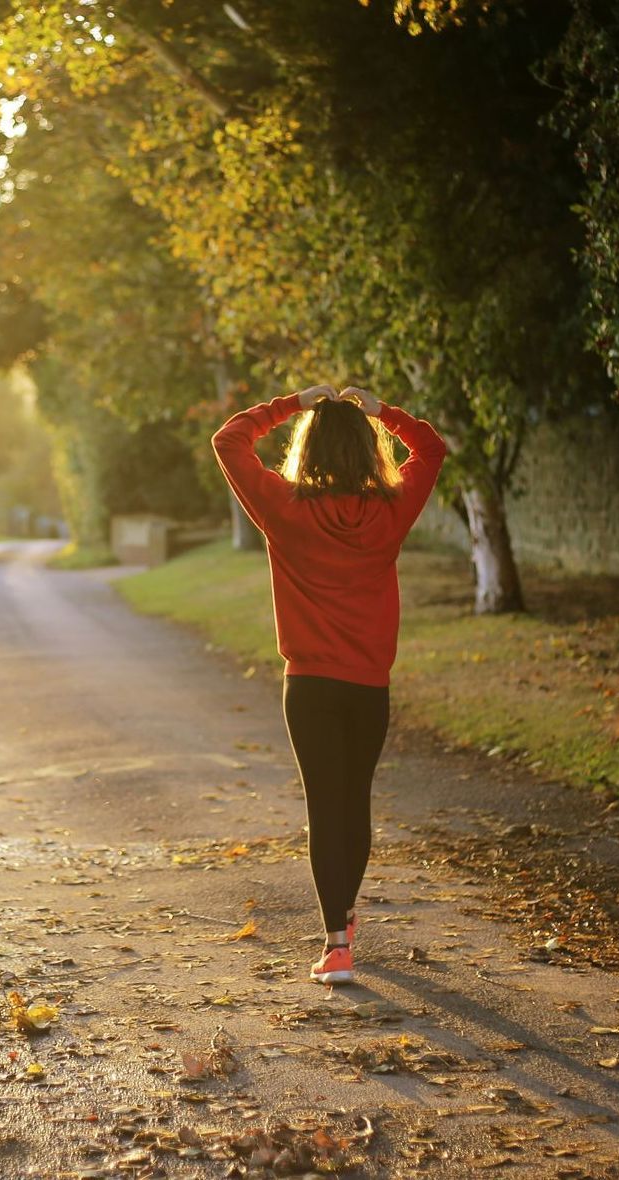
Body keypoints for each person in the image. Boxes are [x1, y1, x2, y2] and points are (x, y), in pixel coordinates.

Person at [212, 383, 448, 984]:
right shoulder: (391, 510)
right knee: (355, 801)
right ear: (368, 452)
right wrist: (381, 412)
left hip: (310, 686)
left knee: (325, 805)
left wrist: (293, 402)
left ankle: (337, 944)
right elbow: (432, 447)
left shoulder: (284, 508)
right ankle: (342, 916)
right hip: (369, 685)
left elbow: (229, 440)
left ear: (308, 449)